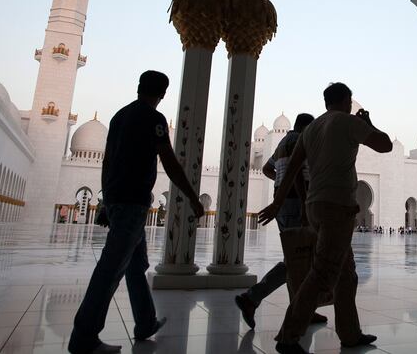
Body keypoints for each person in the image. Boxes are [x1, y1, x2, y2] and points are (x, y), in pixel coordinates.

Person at [68, 71, 205, 354]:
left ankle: (145, 322)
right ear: (163, 94)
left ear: (139, 87)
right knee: (110, 269)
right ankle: (83, 336)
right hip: (133, 203)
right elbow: (169, 162)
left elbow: (108, 161)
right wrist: (192, 197)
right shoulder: (154, 120)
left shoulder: (119, 116)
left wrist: (105, 200)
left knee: (134, 265)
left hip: (119, 200)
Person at [258, 83, 392, 354]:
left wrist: (276, 203)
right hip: (336, 208)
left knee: (347, 275)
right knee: (322, 273)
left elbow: (292, 167)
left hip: (315, 206)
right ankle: (288, 336)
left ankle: (350, 334)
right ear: (347, 101)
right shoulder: (346, 122)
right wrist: (368, 123)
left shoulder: (311, 129)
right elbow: (385, 145)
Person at [235, 113, 328, 329]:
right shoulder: (299, 140)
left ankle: (304, 309)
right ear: (307, 127)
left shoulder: (282, 144)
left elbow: (268, 169)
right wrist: (305, 203)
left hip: (284, 203)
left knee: (298, 258)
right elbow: (296, 173)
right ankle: (252, 297)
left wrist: (279, 181)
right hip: (297, 203)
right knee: (298, 260)